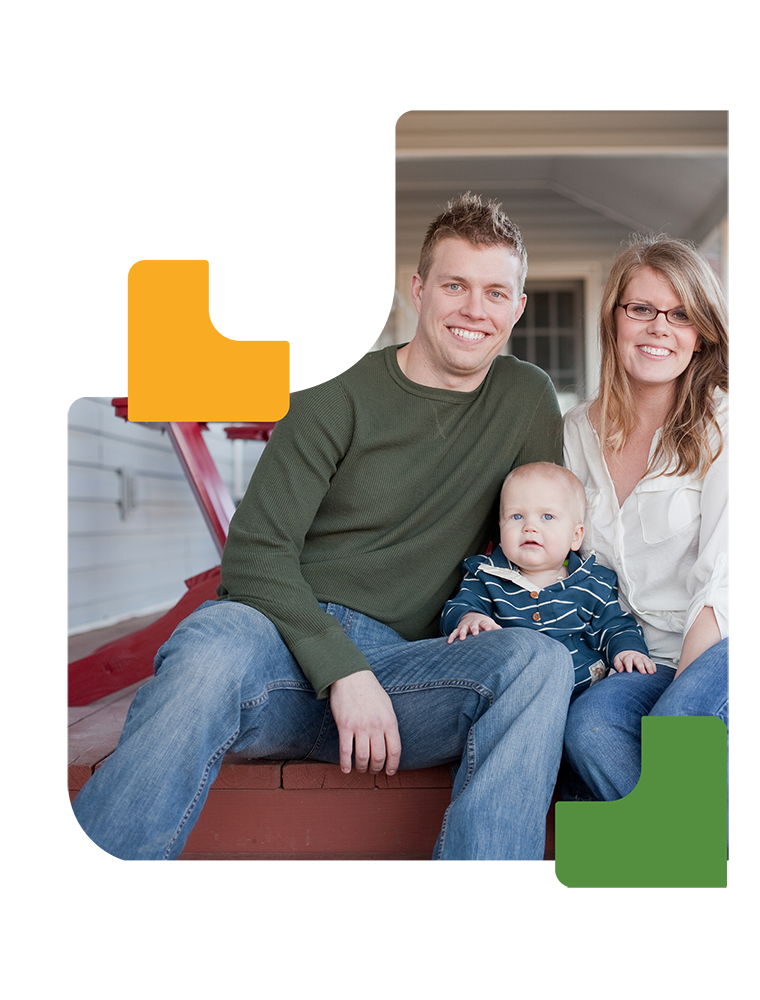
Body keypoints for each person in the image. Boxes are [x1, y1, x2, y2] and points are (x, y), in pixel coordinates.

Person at [68, 192, 574, 888]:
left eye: (495, 292)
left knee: (537, 663)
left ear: (516, 308)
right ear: (419, 289)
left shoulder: (526, 398)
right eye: (454, 285)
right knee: (212, 646)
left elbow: (530, 545)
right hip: (277, 651)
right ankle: (91, 893)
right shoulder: (340, 385)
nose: (473, 310)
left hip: (410, 677)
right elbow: (254, 555)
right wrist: (343, 671)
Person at [561, 233, 729, 803]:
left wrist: (685, 691)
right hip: (635, 657)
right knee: (590, 730)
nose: (660, 327)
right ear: (614, 320)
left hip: (726, 641)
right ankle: (706, 865)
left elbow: (725, 578)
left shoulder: (726, 421)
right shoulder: (576, 433)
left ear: (701, 334)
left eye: (681, 315)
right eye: (642, 310)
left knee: (678, 729)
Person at [442, 461, 655, 701]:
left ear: (576, 537)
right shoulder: (487, 575)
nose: (530, 526)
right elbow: (458, 606)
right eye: (516, 516)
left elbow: (616, 625)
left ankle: (688, 735)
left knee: (598, 726)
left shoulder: (593, 583)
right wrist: (469, 617)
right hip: (514, 693)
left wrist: (628, 650)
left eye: (547, 516)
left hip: (581, 693)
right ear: (500, 528)